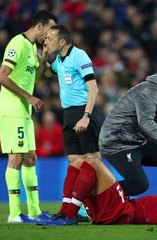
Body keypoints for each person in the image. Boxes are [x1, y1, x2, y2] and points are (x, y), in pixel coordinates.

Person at [0, 10, 57, 223]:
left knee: (31, 158)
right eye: (48, 32)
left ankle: (34, 211)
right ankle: (14, 214)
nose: (49, 37)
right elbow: (1, 77)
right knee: (16, 157)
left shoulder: (32, 47)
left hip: (24, 111)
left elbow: (39, 77)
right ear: (39, 27)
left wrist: (45, 56)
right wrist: (28, 97)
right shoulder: (17, 44)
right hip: (12, 109)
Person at [38, 156, 157, 226]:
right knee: (77, 162)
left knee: (92, 161)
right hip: (124, 209)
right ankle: (64, 213)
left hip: (124, 211)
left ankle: (68, 217)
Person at [42, 25, 103, 218]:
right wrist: (43, 56)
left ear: (62, 41)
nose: (46, 41)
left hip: (83, 112)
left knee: (93, 161)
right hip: (68, 114)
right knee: (74, 160)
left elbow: (93, 88)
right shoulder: (59, 60)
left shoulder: (80, 56)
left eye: (49, 38)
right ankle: (73, 210)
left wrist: (86, 116)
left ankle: (99, 206)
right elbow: (47, 73)